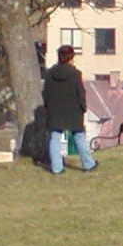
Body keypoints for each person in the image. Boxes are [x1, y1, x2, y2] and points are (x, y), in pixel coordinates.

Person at [43, 45, 99, 174]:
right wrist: (83, 107)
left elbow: (46, 93)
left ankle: (56, 168)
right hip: (73, 111)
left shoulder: (49, 74)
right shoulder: (75, 74)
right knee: (79, 136)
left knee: (55, 137)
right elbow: (80, 92)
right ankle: (88, 164)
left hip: (55, 111)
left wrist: (47, 106)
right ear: (71, 57)